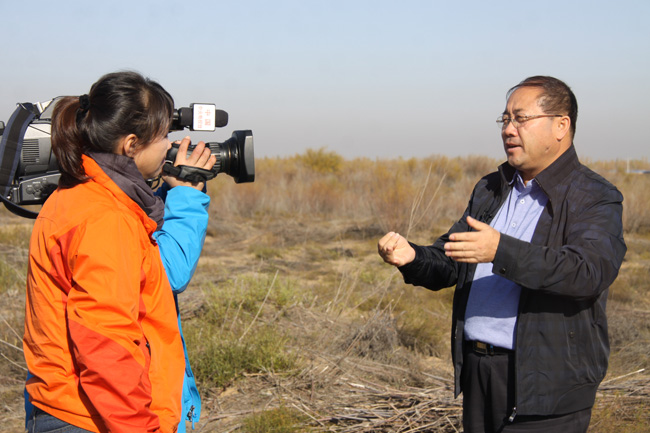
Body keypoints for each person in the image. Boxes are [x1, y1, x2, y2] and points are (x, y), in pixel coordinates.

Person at [378, 76, 626, 432]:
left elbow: (588, 272)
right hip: (478, 371)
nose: (508, 129)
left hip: (547, 382)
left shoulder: (594, 196)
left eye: (520, 119)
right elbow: (451, 261)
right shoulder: (491, 189)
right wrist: (412, 257)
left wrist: (500, 250)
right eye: (505, 119)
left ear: (561, 126)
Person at [23, 71, 215, 433]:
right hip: (93, 418)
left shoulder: (82, 198)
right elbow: (105, 344)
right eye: (164, 136)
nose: (169, 147)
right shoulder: (105, 218)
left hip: (70, 407)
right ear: (130, 144)